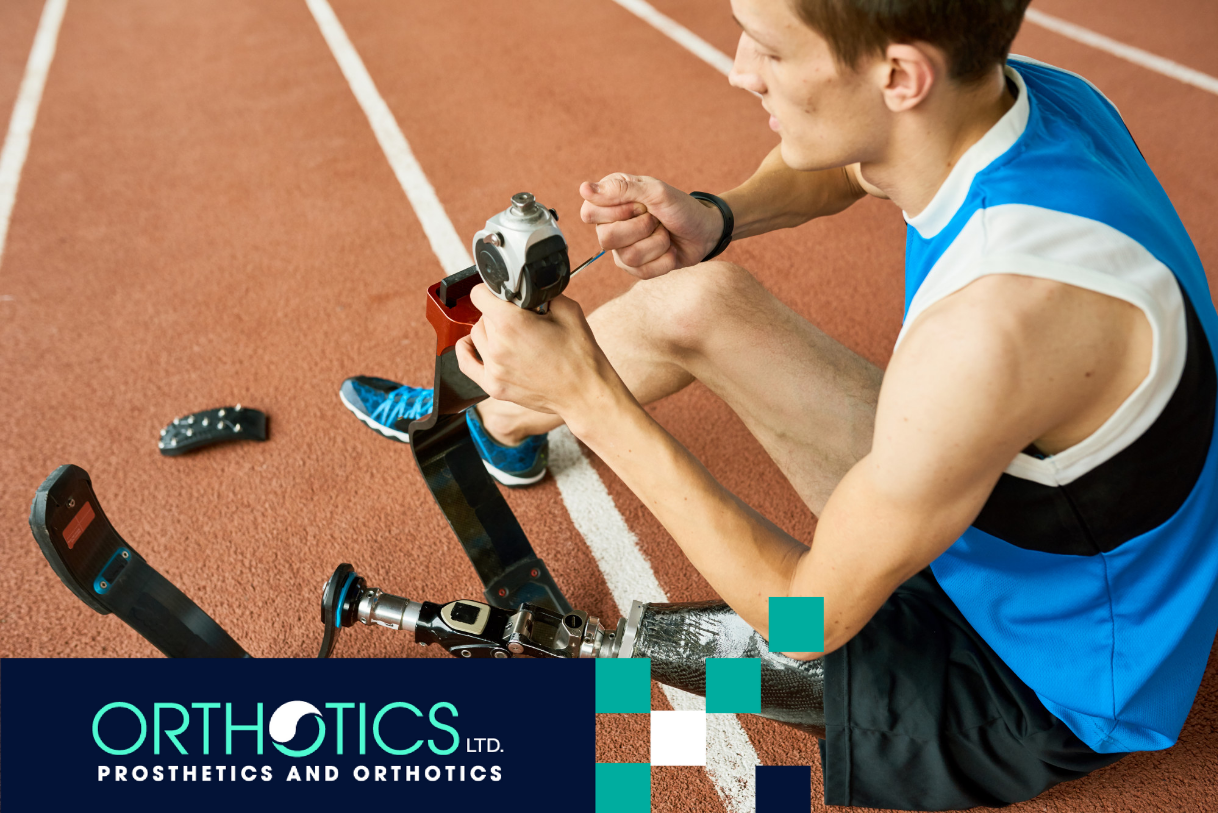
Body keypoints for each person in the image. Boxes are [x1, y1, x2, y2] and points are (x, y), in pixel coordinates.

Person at [340, 0, 1218, 807]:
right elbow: (859, 168)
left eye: (769, 45)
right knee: (696, 300)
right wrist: (720, 216)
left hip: (1037, 679)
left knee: (680, 655)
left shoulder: (997, 326)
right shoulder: (1030, 104)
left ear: (900, 75)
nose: (739, 69)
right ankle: (499, 418)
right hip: (1004, 505)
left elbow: (805, 620)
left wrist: (596, 402)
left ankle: (548, 398)